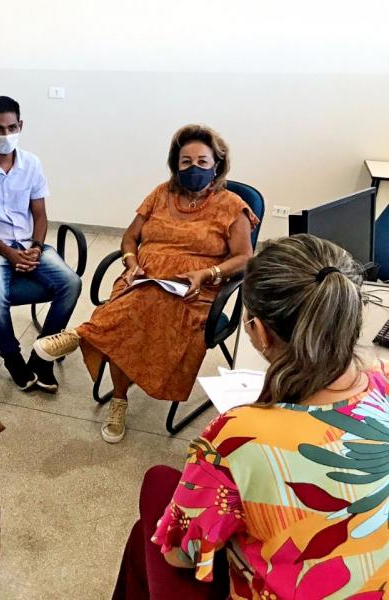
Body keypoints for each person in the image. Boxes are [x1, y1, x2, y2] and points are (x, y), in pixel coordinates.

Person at [114, 234, 389, 599]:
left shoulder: (239, 435)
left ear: (258, 330)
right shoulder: (383, 382)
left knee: (156, 491)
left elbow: (182, 556)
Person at [33, 124, 258, 442]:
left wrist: (207, 275)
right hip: (142, 275)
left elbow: (244, 258)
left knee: (135, 310)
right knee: (134, 305)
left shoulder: (233, 206)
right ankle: (118, 399)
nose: (194, 168)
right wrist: (131, 262)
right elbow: (130, 236)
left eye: (202, 162)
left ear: (217, 165)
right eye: (186, 162)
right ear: (175, 165)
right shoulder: (161, 193)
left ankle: (81, 335)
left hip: (194, 288)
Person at [0, 95, 82, 392]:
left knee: (71, 283)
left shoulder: (32, 163)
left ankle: (43, 356)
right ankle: (12, 356)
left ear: (21, 125)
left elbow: (40, 214)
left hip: (29, 245)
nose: (5, 134)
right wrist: (10, 254)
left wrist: (37, 248)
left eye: (11, 127)